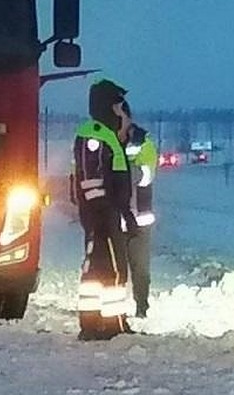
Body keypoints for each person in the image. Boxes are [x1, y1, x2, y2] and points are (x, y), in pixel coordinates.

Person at [72, 78, 135, 340]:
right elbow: (92, 180)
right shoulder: (94, 134)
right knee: (112, 268)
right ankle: (111, 325)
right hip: (102, 213)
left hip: (106, 212)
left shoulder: (107, 135)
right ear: (108, 107)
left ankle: (94, 324)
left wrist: (124, 211)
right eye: (119, 107)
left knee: (99, 268)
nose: (124, 114)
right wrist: (104, 212)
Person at [121, 103, 158, 318]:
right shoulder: (107, 140)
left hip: (139, 220)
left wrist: (117, 170)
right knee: (115, 270)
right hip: (115, 218)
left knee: (140, 270)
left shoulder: (143, 142)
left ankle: (141, 308)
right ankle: (115, 310)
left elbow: (145, 175)